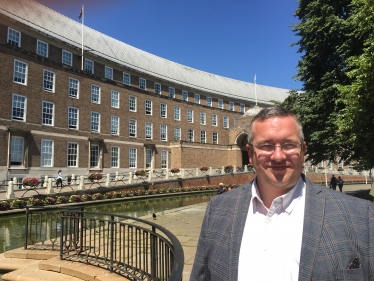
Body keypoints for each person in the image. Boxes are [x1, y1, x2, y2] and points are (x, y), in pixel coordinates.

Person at [190, 106, 374, 281]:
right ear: (251, 153)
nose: (278, 156)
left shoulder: (360, 215)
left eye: (288, 144)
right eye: (266, 146)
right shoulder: (218, 209)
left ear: (302, 151)